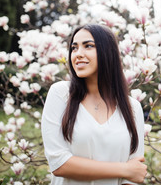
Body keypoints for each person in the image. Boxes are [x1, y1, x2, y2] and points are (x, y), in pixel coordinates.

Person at [41, 24, 147, 185]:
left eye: (88, 46)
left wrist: (129, 172)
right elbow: (59, 164)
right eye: (74, 48)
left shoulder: (132, 108)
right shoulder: (60, 94)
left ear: (108, 52)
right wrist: (124, 169)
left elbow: (134, 175)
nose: (78, 54)